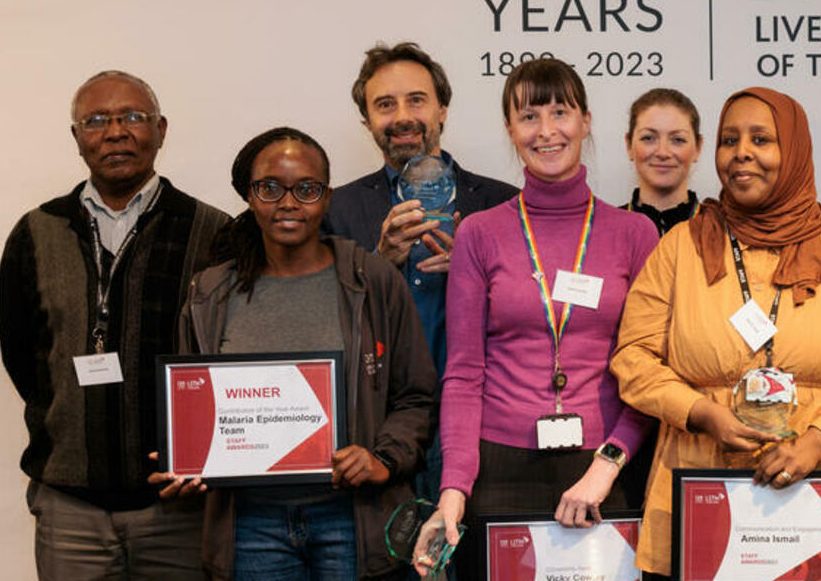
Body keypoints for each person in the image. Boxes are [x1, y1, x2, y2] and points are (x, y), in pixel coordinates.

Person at [610, 87, 821, 580]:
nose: (742, 153)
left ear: (793, 150)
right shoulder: (680, 246)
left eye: (761, 139)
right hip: (701, 488)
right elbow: (634, 358)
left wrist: (820, 439)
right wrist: (701, 412)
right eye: (730, 140)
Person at [412, 59, 659, 576]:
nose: (546, 131)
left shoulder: (634, 234)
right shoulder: (481, 233)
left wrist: (607, 465)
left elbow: (649, 371)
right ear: (510, 129)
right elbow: (463, 375)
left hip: (605, 465)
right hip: (499, 469)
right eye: (528, 116)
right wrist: (453, 493)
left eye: (560, 112)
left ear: (586, 121)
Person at [167, 127, 437, 580]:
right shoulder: (210, 293)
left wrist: (383, 459)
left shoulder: (372, 279)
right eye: (270, 188)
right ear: (250, 197)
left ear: (326, 198)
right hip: (250, 526)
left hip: (352, 520)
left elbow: (417, 396)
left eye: (306, 189)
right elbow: (193, 403)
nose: (288, 202)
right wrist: (186, 457)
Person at [0, 70, 229, 579]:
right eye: (97, 120)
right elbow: (21, 354)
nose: (116, 131)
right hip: (69, 505)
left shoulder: (213, 232)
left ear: (161, 129)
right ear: (77, 137)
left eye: (132, 117)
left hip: (178, 507)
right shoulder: (36, 232)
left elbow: (228, 358)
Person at [326, 42, 520, 502]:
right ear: (367, 121)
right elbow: (319, 324)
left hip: (485, 427)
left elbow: (537, 318)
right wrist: (379, 265)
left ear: (443, 110)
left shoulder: (503, 204)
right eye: (384, 105)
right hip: (378, 434)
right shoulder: (338, 210)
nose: (402, 116)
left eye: (416, 99)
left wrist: (479, 276)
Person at [622, 88, 703, 235]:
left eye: (678, 140)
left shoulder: (721, 230)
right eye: (648, 138)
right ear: (629, 145)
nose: (662, 152)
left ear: (698, 147)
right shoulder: (605, 230)